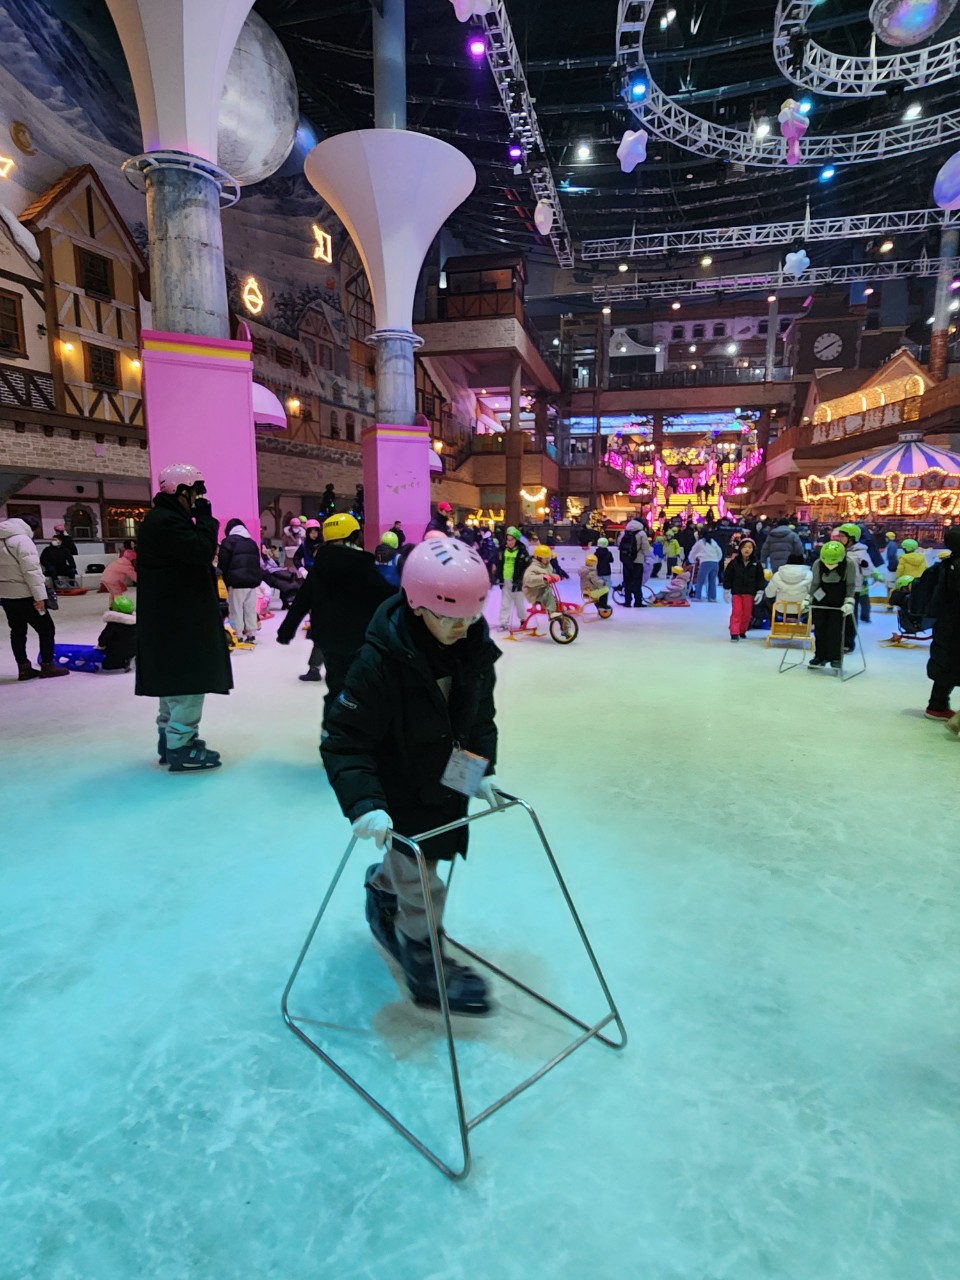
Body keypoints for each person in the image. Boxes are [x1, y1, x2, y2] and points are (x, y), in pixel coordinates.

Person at [322, 536, 499, 1015]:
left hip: (446, 781)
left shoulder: (474, 651)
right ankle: (423, 960)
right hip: (394, 790)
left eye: (472, 617)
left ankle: (382, 892)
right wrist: (365, 803)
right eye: (451, 619)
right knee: (423, 885)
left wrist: (477, 775)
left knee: (431, 857)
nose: (463, 628)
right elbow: (343, 740)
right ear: (419, 607)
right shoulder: (377, 663)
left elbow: (479, 721)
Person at [135, 462, 232, 772]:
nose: (199, 498)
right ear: (181, 491)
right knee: (188, 681)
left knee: (173, 682)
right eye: (196, 491)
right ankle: (180, 746)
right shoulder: (166, 522)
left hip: (171, 618)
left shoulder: (162, 519)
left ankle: (170, 739)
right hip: (180, 620)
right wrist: (206, 520)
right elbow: (202, 551)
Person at [276, 512, 394, 727]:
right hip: (357, 637)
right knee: (357, 686)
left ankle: (330, 730)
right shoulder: (363, 564)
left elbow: (303, 599)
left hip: (328, 637)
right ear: (353, 535)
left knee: (335, 684)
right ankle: (351, 732)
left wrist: (287, 629)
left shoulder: (321, 564)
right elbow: (383, 593)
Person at [0, 513, 68, 680]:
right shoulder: (22, 541)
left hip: (6, 596)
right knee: (46, 629)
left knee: (17, 631)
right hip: (26, 595)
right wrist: (40, 597)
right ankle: (47, 666)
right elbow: (32, 572)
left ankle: (23, 669)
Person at [909, 527, 960, 720]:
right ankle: (938, 706)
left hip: (945, 622)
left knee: (945, 664)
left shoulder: (946, 564)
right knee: (950, 664)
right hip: (955, 623)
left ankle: (937, 705)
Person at [808, 540, 856, 669]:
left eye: (833, 561)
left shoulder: (849, 565)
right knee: (819, 629)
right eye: (827, 561)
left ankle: (835, 658)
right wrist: (808, 598)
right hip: (820, 600)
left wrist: (849, 601)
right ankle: (819, 656)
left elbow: (850, 585)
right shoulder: (818, 564)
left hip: (838, 602)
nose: (829, 564)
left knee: (835, 631)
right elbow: (815, 583)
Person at [218, 517, 262, 645]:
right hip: (252, 582)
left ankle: (237, 634)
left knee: (235, 609)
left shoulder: (228, 542)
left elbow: (223, 563)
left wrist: (225, 580)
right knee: (250, 608)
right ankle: (251, 633)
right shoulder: (252, 542)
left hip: (236, 582)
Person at [722, 535, 765, 641]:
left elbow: (760, 578)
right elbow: (728, 576)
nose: (747, 549)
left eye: (750, 547)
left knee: (746, 614)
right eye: (745, 547)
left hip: (749, 592)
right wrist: (726, 589)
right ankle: (734, 632)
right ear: (740, 548)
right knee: (737, 611)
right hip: (737, 591)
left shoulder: (756, 564)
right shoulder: (734, 563)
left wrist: (760, 591)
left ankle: (742, 630)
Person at [496, 526, 530, 632]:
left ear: (516, 539)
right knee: (505, 603)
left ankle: (523, 620)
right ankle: (503, 623)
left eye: (511, 539)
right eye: (508, 539)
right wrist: (500, 579)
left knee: (519, 603)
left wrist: (520, 580)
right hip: (506, 580)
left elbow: (526, 568)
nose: (509, 542)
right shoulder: (502, 550)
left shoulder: (522, 552)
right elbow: (500, 565)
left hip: (517, 582)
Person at [522, 544, 561, 626]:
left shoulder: (547, 566)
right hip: (533, 591)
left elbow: (549, 575)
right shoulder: (533, 567)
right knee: (547, 592)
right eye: (546, 558)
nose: (548, 559)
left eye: (548, 557)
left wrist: (554, 577)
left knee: (553, 598)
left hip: (541, 589)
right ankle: (551, 613)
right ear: (539, 558)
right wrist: (542, 578)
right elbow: (528, 579)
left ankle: (563, 625)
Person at [97, 593, 137, 671]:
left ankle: (120, 663)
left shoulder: (113, 625)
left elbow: (102, 640)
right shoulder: (135, 624)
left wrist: (101, 645)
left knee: (106, 665)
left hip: (115, 654)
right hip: (133, 652)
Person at [618, 519, 647, 608]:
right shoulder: (642, 533)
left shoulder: (624, 533)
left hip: (626, 561)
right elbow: (645, 547)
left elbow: (619, 544)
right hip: (638, 561)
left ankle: (627, 601)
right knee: (637, 582)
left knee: (627, 581)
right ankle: (638, 601)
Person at [689, 529, 723, 602]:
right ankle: (712, 597)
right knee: (712, 581)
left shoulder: (700, 542)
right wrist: (717, 559)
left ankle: (698, 596)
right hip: (715, 563)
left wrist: (691, 560)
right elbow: (719, 552)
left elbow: (693, 552)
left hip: (705, 562)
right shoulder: (713, 542)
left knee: (700, 580)